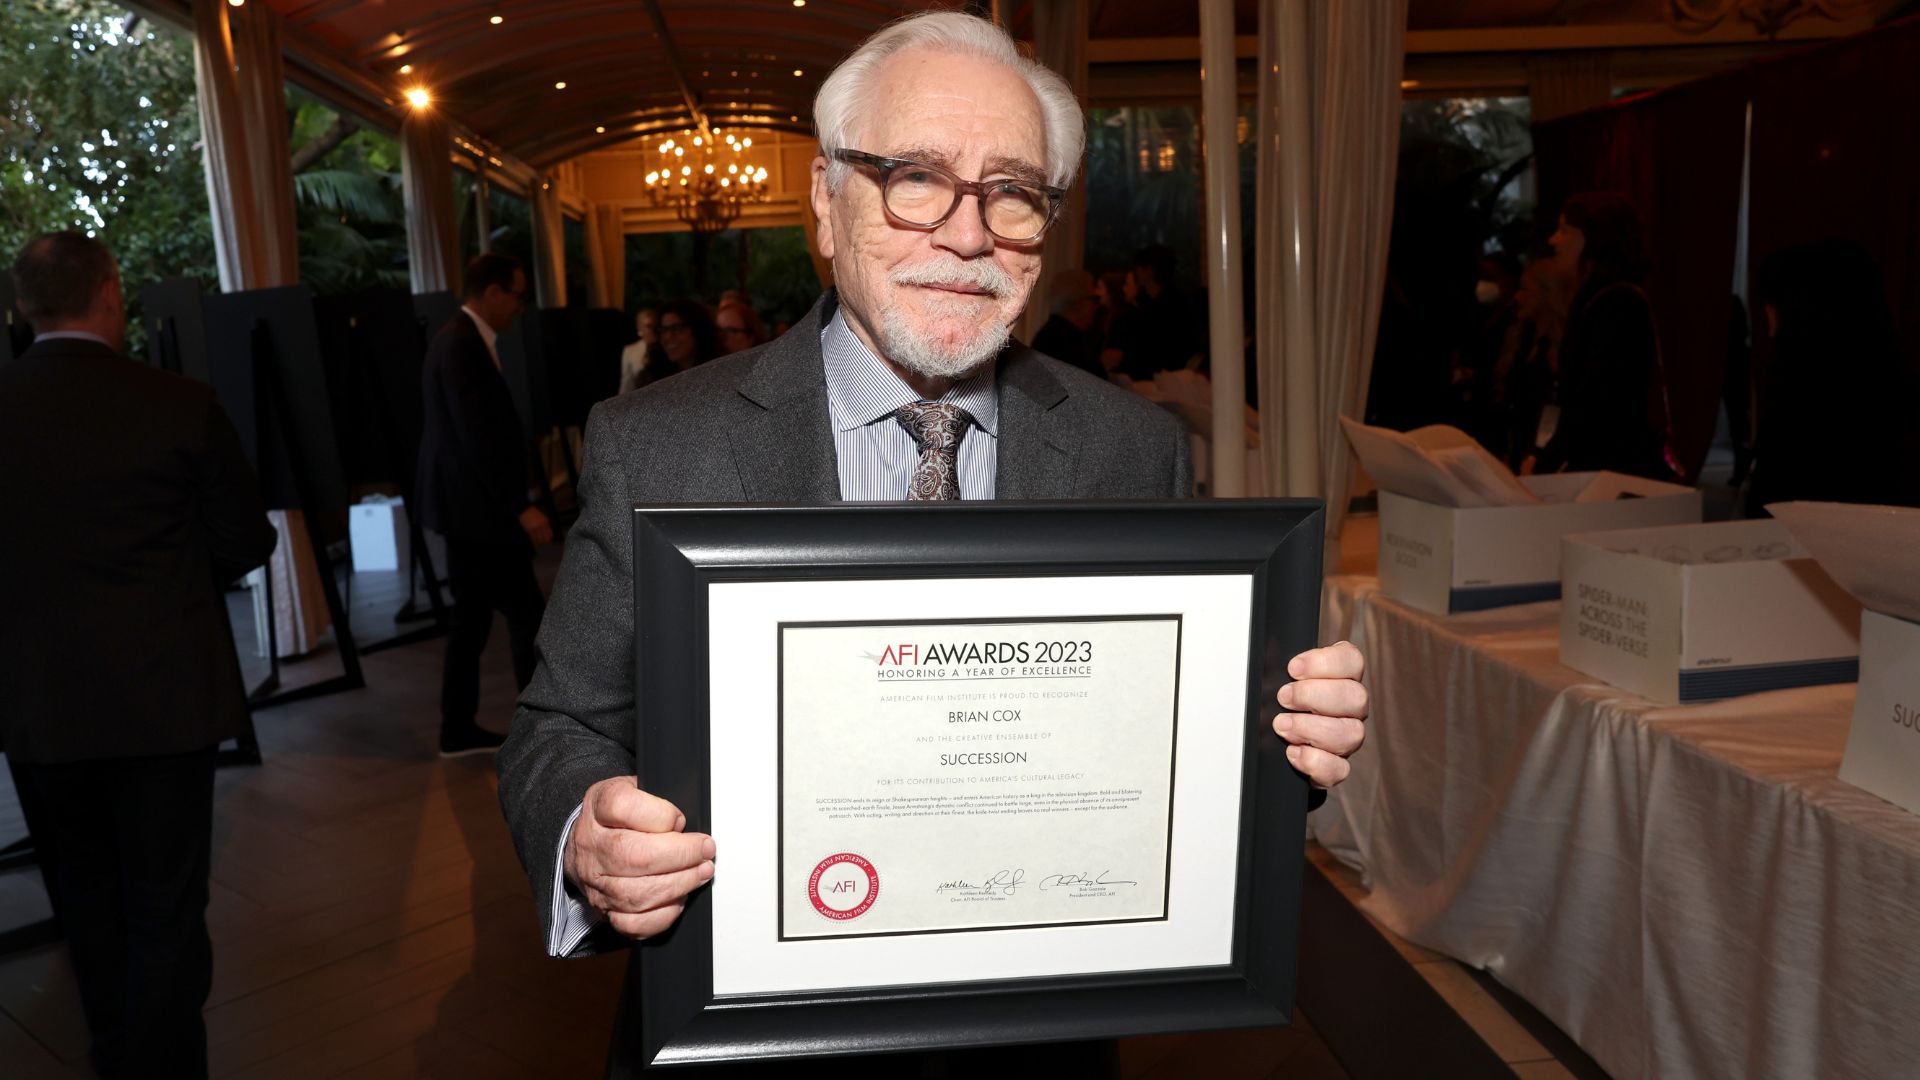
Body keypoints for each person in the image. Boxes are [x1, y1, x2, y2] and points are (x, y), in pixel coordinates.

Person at [496, 12, 1369, 1073]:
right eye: (916, 176)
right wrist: (589, 831)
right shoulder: (659, 442)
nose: (967, 235)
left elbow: (1146, 742)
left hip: (1036, 1036)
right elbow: (560, 724)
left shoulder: (1127, 449)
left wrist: (1279, 743)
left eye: (1013, 192)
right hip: (744, 1029)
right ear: (826, 201)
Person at [0, 232, 277, 1077]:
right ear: (112, 294)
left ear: (23, 308)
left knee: (85, 901)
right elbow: (245, 540)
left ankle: (116, 1055)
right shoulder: (179, 402)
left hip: (39, 704)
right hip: (163, 699)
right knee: (165, 907)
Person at [415, 252, 552, 756]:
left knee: (471, 622)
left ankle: (458, 729)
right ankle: (540, 735)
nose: (520, 306)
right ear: (492, 292)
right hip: (479, 515)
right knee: (525, 617)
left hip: (468, 511)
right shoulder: (460, 345)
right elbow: (475, 437)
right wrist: (520, 506)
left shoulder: (461, 339)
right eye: (516, 294)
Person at [1744, 238, 1920, 512]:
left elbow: (1771, 507)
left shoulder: (1798, 399)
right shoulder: (1896, 390)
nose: (1768, 323)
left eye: (1773, 306)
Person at [1530, 192, 1674, 480]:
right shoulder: (1596, 298)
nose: (1553, 240)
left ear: (1593, 239)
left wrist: (1547, 462)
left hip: (1608, 471)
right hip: (1598, 466)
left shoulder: (1617, 302)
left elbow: (1595, 404)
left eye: (1564, 230)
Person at [1030, 268, 1106, 379]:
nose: (1097, 306)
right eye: (1094, 299)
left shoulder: (1051, 335)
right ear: (1080, 303)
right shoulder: (1064, 342)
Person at [629, 297, 720, 388]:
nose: (668, 337)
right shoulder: (649, 379)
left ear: (698, 331)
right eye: (664, 330)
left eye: (677, 329)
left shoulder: (717, 373)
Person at [618, 307, 660, 393]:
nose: (652, 330)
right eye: (648, 326)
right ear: (639, 327)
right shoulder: (630, 351)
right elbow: (626, 384)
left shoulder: (665, 347)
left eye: (655, 326)